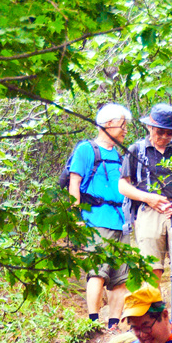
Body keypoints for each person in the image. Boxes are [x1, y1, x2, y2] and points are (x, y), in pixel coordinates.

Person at [119, 103, 172, 325]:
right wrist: (148, 198)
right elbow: (123, 185)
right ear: (150, 127)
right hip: (148, 212)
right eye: (160, 131)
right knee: (152, 268)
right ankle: (152, 317)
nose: (165, 136)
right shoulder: (136, 150)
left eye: (169, 132)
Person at [69, 103, 133, 330]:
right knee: (98, 272)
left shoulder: (119, 155)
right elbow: (74, 183)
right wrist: (76, 217)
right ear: (108, 124)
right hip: (96, 219)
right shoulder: (86, 150)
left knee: (120, 277)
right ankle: (93, 323)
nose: (125, 130)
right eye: (122, 125)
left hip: (121, 221)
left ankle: (113, 325)